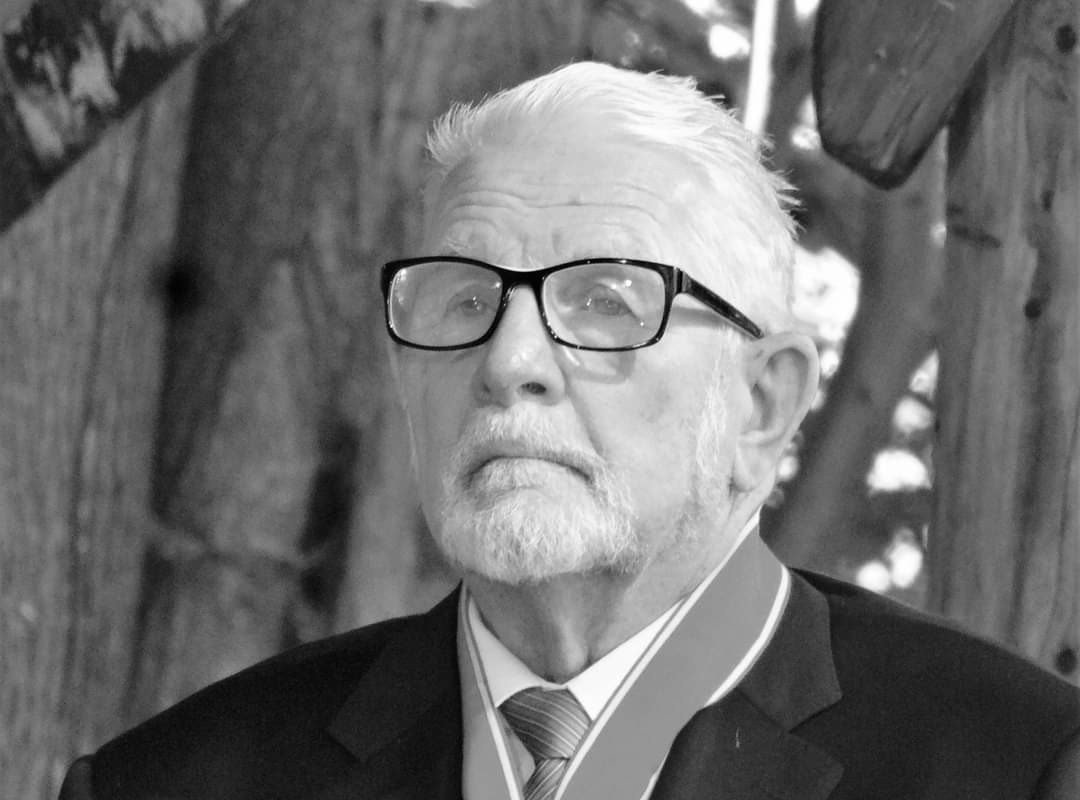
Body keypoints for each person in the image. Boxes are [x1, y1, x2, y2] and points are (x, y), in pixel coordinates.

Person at [61, 61, 1079, 800]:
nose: (509, 361)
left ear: (764, 402)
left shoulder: (1015, 765)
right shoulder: (174, 780)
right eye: (465, 300)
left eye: (604, 301)